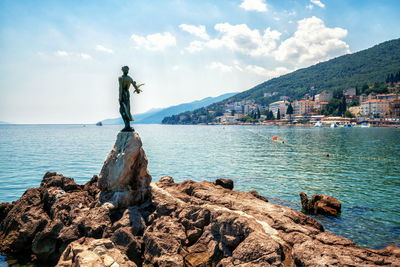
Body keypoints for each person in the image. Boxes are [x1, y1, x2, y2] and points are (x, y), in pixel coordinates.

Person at [118, 66, 144, 132]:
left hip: (123, 94)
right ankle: (128, 126)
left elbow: (120, 88)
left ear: (122, 70)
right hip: (127, 94)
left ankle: (127, 126)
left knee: (122, 110)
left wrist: (120, 97)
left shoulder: (121, 78)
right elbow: (135, 87)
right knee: (127, 109)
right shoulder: (130, 78)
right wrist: (138, 90)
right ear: (127, 71)